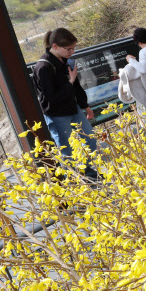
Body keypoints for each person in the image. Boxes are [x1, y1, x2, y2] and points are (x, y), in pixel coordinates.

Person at [32, 28, 98, 180]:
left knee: (89, 139)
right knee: (66, 148)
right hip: (56, 114)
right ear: (55, 46)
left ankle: (86, 170)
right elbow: (51, 96)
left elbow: (76, 87)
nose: (72, 52)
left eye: (73, 48)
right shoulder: (43, 67)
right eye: (68, 49)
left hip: (73, 108)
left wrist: (85, 105)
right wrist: (70, 81)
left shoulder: (66, 61)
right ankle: (75, 178)